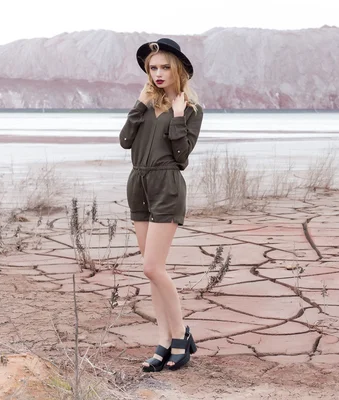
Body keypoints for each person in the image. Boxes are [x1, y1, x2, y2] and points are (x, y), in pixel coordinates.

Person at [119, 38, 203, 372]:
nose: (158, 73)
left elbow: (182, 158)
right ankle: (164, 340)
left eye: (165, 67)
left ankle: (181, 333)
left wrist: (179, 115)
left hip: (167, 185)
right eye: (152, 67)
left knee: (152, 267)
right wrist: (139, 107)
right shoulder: (144, 104)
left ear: (177, 69)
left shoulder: (192, 110)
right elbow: (125, 141)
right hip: (138, 183)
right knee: (154, 272)